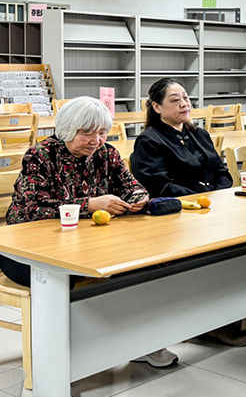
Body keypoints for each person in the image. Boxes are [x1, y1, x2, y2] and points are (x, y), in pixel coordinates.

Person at [4, 98, 177, 368]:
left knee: (139, 265)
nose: (96, 141)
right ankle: (57, 361)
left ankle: (140, 342)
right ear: (67, 130)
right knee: (61, 278)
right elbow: (35, 209)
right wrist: (89, 205)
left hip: (83, 244)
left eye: (102, 132)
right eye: (87, 133)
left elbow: (133, 186)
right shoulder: (40, 156)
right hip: (25, 250)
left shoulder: (106, 153)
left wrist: (136, 199)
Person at [131, 78, 233, 196]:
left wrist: (217, 194)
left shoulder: (200, 134)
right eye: (175, 100)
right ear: (157, 107)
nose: (184, 104)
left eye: (185, 98)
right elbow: (160, 186)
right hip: (182, 203)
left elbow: (221, 172)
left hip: (214, 199)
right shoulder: (148, 141)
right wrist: (203, 196)